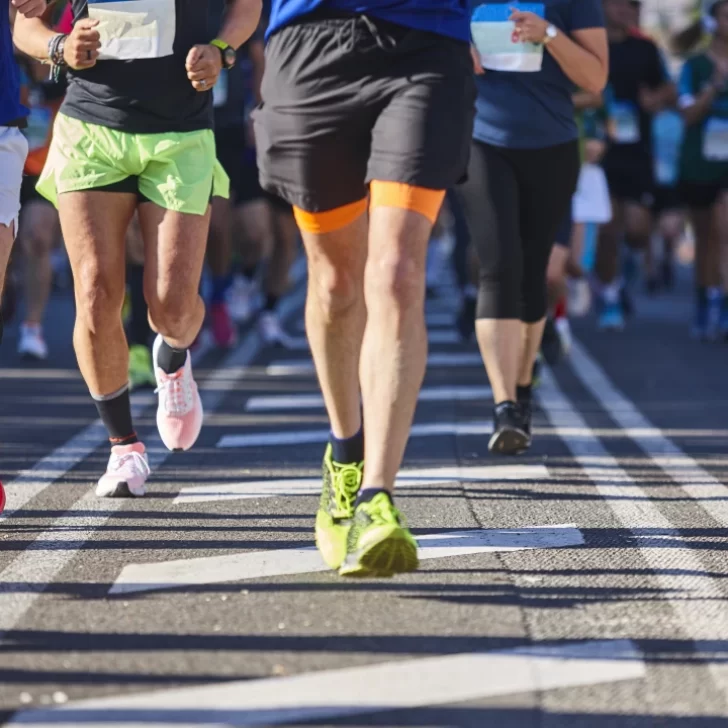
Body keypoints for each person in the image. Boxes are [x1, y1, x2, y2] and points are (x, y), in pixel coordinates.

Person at [255, 0, 475, 576]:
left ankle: (378, 495)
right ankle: (345, 451)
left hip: (427, 41)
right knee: (333, 282)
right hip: (310, 44)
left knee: (398, 271)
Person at [13, 0, 261, 497]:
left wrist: (221, 50)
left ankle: (171, 358)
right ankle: (124, 447)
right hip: (91, 129)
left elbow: (247, 6)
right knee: (97, 293)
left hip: (181, 134)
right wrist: (60, 48)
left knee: (171, 303)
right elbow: (25, 23)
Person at [458, 0, 607, 454]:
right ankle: (504, 404)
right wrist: (456, 50)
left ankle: (521, 388)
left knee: (535, 271)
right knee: (498, 265)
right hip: (482, 141)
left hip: (553, 145)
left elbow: (596, 79)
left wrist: (551, 36)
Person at [595, 0, 676, 331]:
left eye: (633, 5)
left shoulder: (645, 48)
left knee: (638, 229)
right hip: (600, 151)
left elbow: (669, 88)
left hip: (638, 150)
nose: (626, 9)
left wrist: (656, 100)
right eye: (620, 3)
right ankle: (610, 295)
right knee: (607, 229)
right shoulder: (589, 41)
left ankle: (626, 269)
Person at [675, 0, 728, 339]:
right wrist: (714, 86)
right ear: (713, 21)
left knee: (725, 230)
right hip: (699, 162)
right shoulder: (694, 66)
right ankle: (704, 297)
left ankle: (723, 301)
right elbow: (687, 114)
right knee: (707, 236)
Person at [16, 54, 64, 361]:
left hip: (45, 168)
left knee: (37, 237)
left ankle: (32, 326)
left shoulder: (69, 52)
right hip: (9, 161)